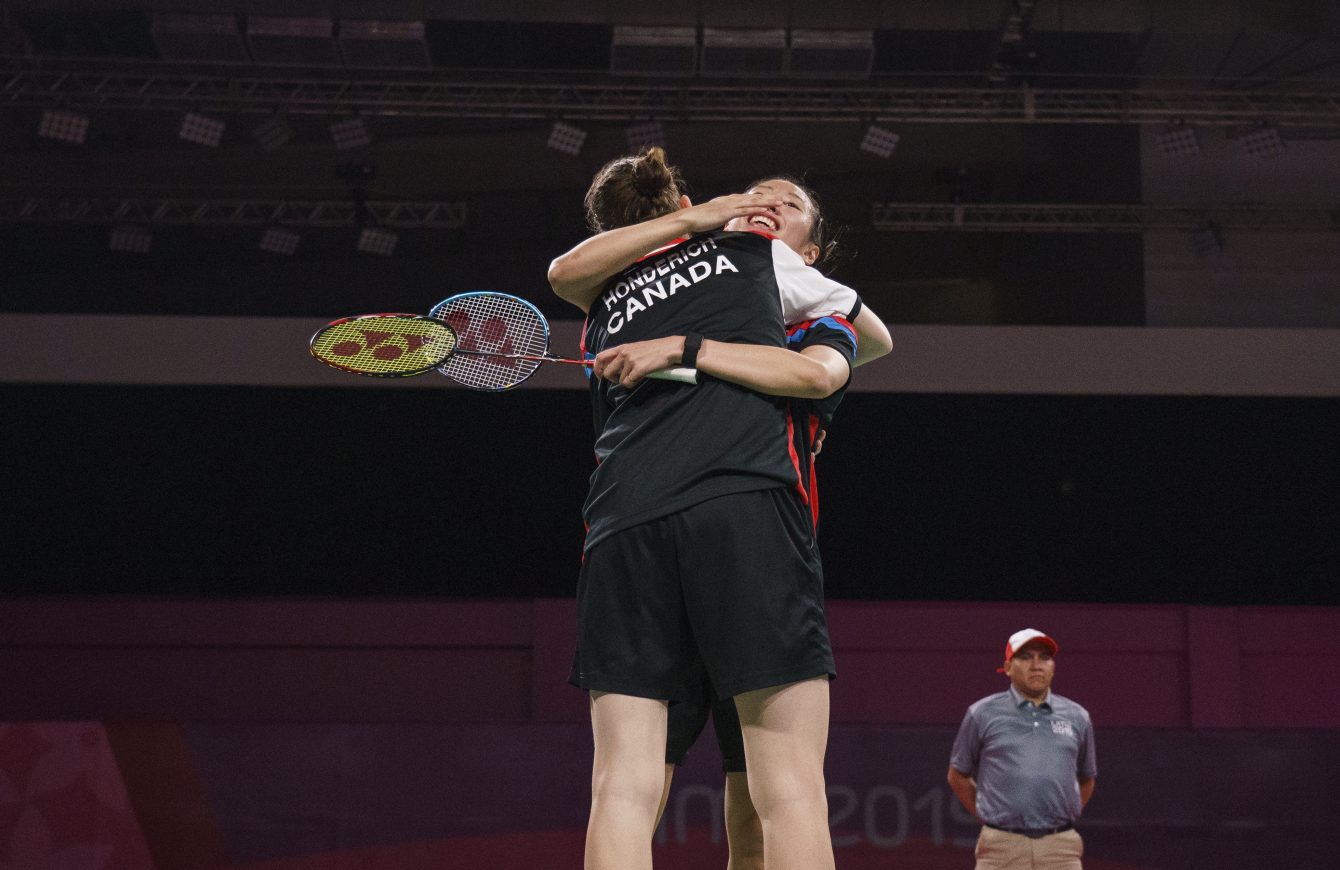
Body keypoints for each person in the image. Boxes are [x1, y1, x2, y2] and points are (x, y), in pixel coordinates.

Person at [549, 149, 888, 870]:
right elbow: (877, 340)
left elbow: (562, 273)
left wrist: (686, 339)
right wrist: (721, 234)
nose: (765, 205)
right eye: (754, 194)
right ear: (688, 207)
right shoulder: (750, 256)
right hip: (741, 511)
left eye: (784, 202)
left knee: (622, 787)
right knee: (787, 788)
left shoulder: (606, 299)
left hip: (620, 522)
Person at [948, 628, 1097, 870]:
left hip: (1060, 850)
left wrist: (1061, 813)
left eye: (1044, 658)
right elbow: (957, 776)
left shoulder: (1078, 716)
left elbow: (1087, 779)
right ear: (1008, 667)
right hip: (1001, 849)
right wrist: (992, 816)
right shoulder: (982, 713)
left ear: (1053, 667)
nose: (1037, 665)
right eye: (1026, 657)